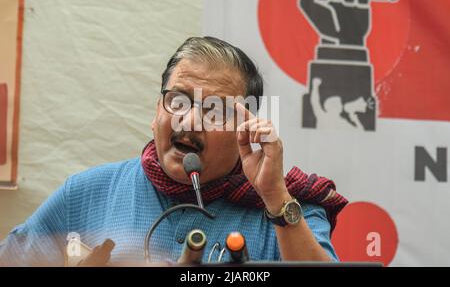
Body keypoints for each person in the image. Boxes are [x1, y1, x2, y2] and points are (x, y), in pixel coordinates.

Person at [0, 37, 347, 266]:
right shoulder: (86, 193)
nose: (190, 121)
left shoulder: (287, 209)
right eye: (178, 100)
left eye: (214, 110)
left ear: (246, 129)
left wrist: (274, 197)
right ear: (156, 112)